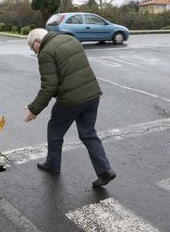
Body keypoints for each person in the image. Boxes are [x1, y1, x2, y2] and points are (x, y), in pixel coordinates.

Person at [24, 28, 116, 188]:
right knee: (88, 134)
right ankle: (105, 170)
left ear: (38, 42)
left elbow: (49, 87)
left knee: (54, 129)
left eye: (33, 48)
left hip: (71, 100)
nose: (35, 52)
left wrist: (34, 109)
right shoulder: (71, 40)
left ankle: (53, 164)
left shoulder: (46, 53)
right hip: (92, 94)